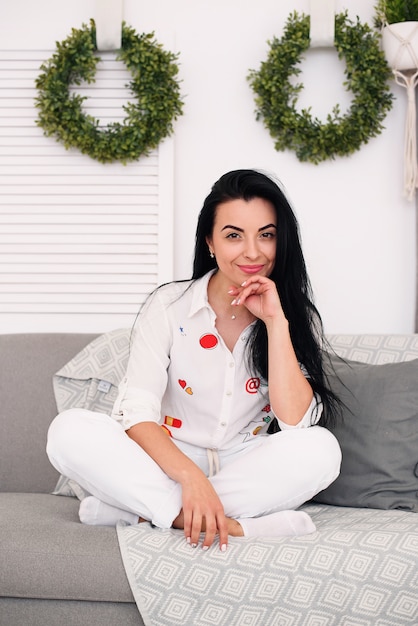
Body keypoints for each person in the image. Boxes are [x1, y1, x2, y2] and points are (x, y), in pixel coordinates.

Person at [47, 169, 342, 552]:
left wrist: (274, 321)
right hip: (168, 460)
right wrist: (191, 478)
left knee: (321, 449)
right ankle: (236, 527)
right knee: (68, 430)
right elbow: (136, 413)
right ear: (210, 243)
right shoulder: (168, 305)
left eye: (266, 235)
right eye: (234, 235)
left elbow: (295, 422)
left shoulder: (292, 316)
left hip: (243, 461)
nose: (252, 251)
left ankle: (144, 512)